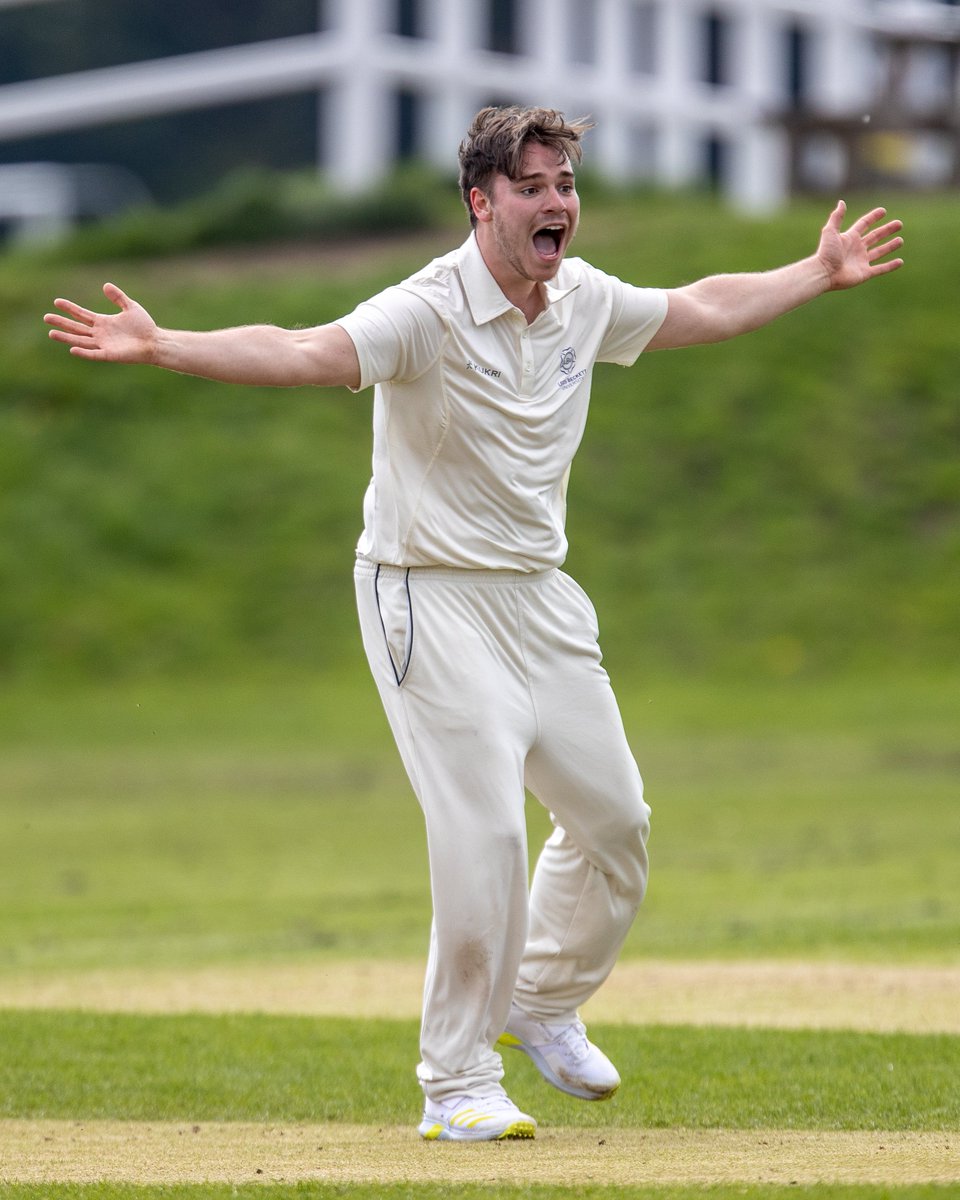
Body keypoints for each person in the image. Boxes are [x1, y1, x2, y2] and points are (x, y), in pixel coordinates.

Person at [45, 105, 903, 1143]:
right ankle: (454, 1084)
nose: (559, 206)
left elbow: (697, 307)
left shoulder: (580, 299)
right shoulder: (427, 310)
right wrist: (164, 345)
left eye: (568, 187)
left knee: (615, 824)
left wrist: (813, 273)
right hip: (424, 592)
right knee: (486, 834)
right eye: (535, 188)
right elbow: (306, 349)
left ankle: (538, 1002)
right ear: (481, 201)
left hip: (538, 594)